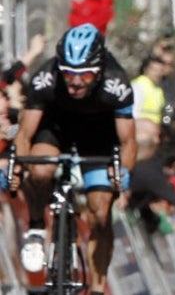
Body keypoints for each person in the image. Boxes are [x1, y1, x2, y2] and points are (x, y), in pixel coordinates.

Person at [11, 23, 137, 295]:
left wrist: (123, 173)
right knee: (41, 171)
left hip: (99, 133)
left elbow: (128, 141)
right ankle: (36, 225)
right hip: (56, 127)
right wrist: (21, 166)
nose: (75, 82)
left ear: (100, 69)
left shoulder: (118, 84)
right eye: (68, 74)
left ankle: (98, 287)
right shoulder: (45, 79)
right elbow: (24, 135)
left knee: (101, 212)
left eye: (85, 76)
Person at [132, 54, 169, 124]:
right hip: (141, 128)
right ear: (145, 70)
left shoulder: (158, 88)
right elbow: (134, 111)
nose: (158, 73)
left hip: (154, 128)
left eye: (161, 70)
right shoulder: (139, 85)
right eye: (155, 70)